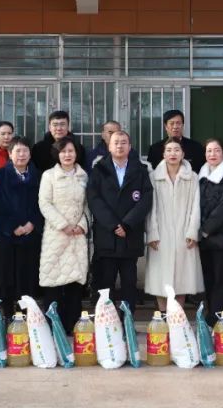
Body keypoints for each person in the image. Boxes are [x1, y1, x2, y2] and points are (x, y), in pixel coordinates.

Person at [87, 130, 153, 310]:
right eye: (116, 142)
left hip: (130, 235)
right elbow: (94, 199)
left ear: (130, 146)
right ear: (109, 146)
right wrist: (113, 225)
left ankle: (127, 320)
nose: (120, 146)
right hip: (107, 235)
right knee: (105, 282)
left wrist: (127, 224)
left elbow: (146, 199)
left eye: (124, 142)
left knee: (129, 283)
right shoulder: (99, 169)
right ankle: (107, 320)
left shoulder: (140, 170)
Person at [38, 136, 89, 333]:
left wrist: (82, 225)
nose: (67, 155)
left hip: (77, 236)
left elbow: (88, 204)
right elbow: (44, 203)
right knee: (53, 281)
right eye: (63, 151)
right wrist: (63, 225)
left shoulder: (83, 176)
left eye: (71, 151)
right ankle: (53, 327)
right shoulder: (49, 175)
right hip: (56, 235)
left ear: (76, 153)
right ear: (57, 154)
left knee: (74, 283)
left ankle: (72, 326)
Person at [145, 138, 203, 311]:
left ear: (183, 154)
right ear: (163, 154)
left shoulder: (192, 177)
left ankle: (178, 318)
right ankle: (163, 317)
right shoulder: (154, 177)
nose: (173, 153)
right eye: (169, 150)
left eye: (176, 150)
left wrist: (193, 232)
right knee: (160, 281)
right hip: (160, 235)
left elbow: (196, 206)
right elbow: (150, 208)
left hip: (184, 234)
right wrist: (152, 233)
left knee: (182, 280)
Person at [0, 136, 43, 319]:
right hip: (7, 237)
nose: (21, 155)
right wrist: (11, 226)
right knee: (6, 278)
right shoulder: (1, 175)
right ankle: (7, 315)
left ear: (30, 154)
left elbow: (43, 203)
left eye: (25, 151)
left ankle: (26, 316)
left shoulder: (38, 176)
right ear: (10, 154)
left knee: (27, 277)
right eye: (17, 151)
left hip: (30, 236)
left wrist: (32, 223)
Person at [197, 138, 223, 321]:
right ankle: (210, 315)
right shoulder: (201, 175)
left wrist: (206, 229)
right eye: (209, 151)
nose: (212, 154)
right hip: (203, 237)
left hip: (222, 237)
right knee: (208, 277)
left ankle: (221, 316)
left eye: (216, 150)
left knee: (221, 278)